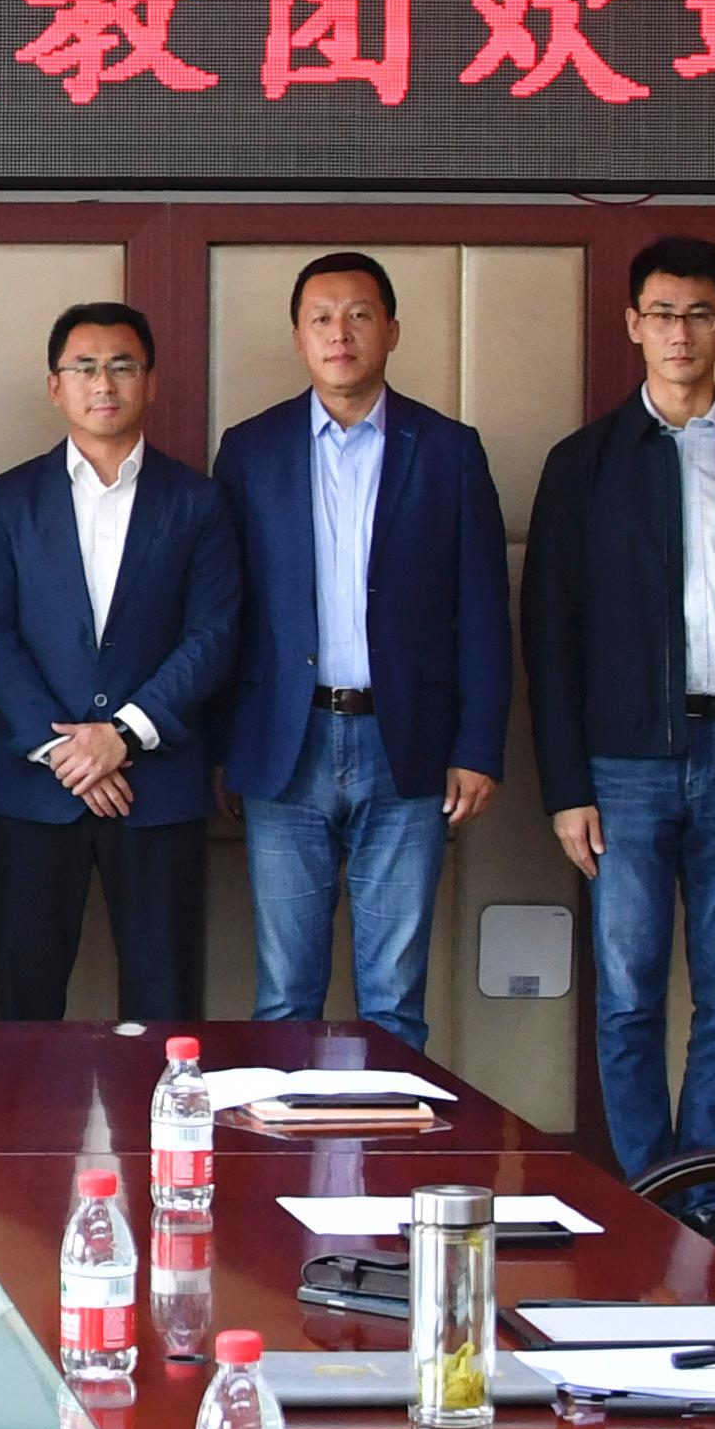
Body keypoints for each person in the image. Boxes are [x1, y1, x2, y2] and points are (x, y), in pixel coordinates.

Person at [522, 236, 715, 1221]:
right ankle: (644, 1196)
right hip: (623, 766)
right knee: (627, 996)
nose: (679, 332)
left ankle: (703, 1196)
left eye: (698, 312)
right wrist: (566, 787)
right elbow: (549, 638)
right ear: (632, 324)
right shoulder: (583, 464)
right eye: (660, 313)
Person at [212, 251, 511, 1049]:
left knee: (394, 998)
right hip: (286, 742)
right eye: (320, 317)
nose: (338, 333)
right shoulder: (249, 450)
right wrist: (222, 746)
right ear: (297, 336)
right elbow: (224, 611)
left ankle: (389, 1136)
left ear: (391, 330)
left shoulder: (447, 450)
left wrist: (477, 745)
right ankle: (283, 1136)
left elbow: (483, 608)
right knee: (285, 993)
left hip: (405, 742)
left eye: (358, 315)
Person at [0, 302, 243, 1022]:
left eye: (122, 365)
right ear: (55, 386)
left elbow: (212, 633)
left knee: (165, 1003)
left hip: (158, 784)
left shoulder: (198, 500)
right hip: (36, 786)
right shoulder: (10, 498)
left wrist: (123, 734)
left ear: (150, 381)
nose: (104, 383)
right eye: (84, 367)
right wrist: (63, 748)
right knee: (25, 1005)